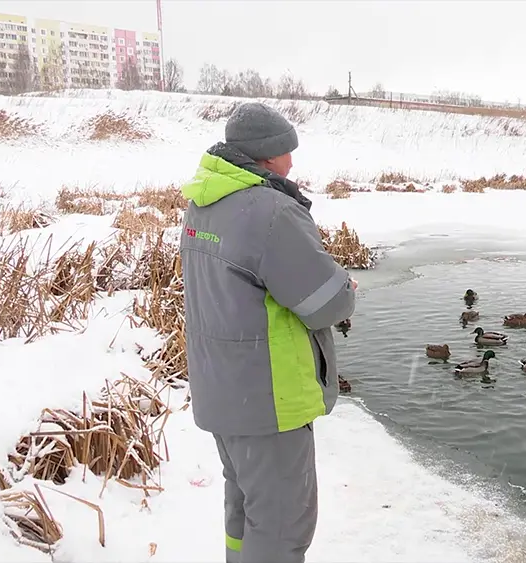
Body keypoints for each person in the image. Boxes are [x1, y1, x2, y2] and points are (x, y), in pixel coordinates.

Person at [179, 102, 358, 563]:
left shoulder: (203, 203)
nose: (292, 163)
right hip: (267, 401)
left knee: (244, 511)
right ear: (265, 155)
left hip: (222, 393)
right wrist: (345, 286)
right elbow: (325, 301)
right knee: (282, 524)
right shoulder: (270, 211)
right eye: (286, 152)